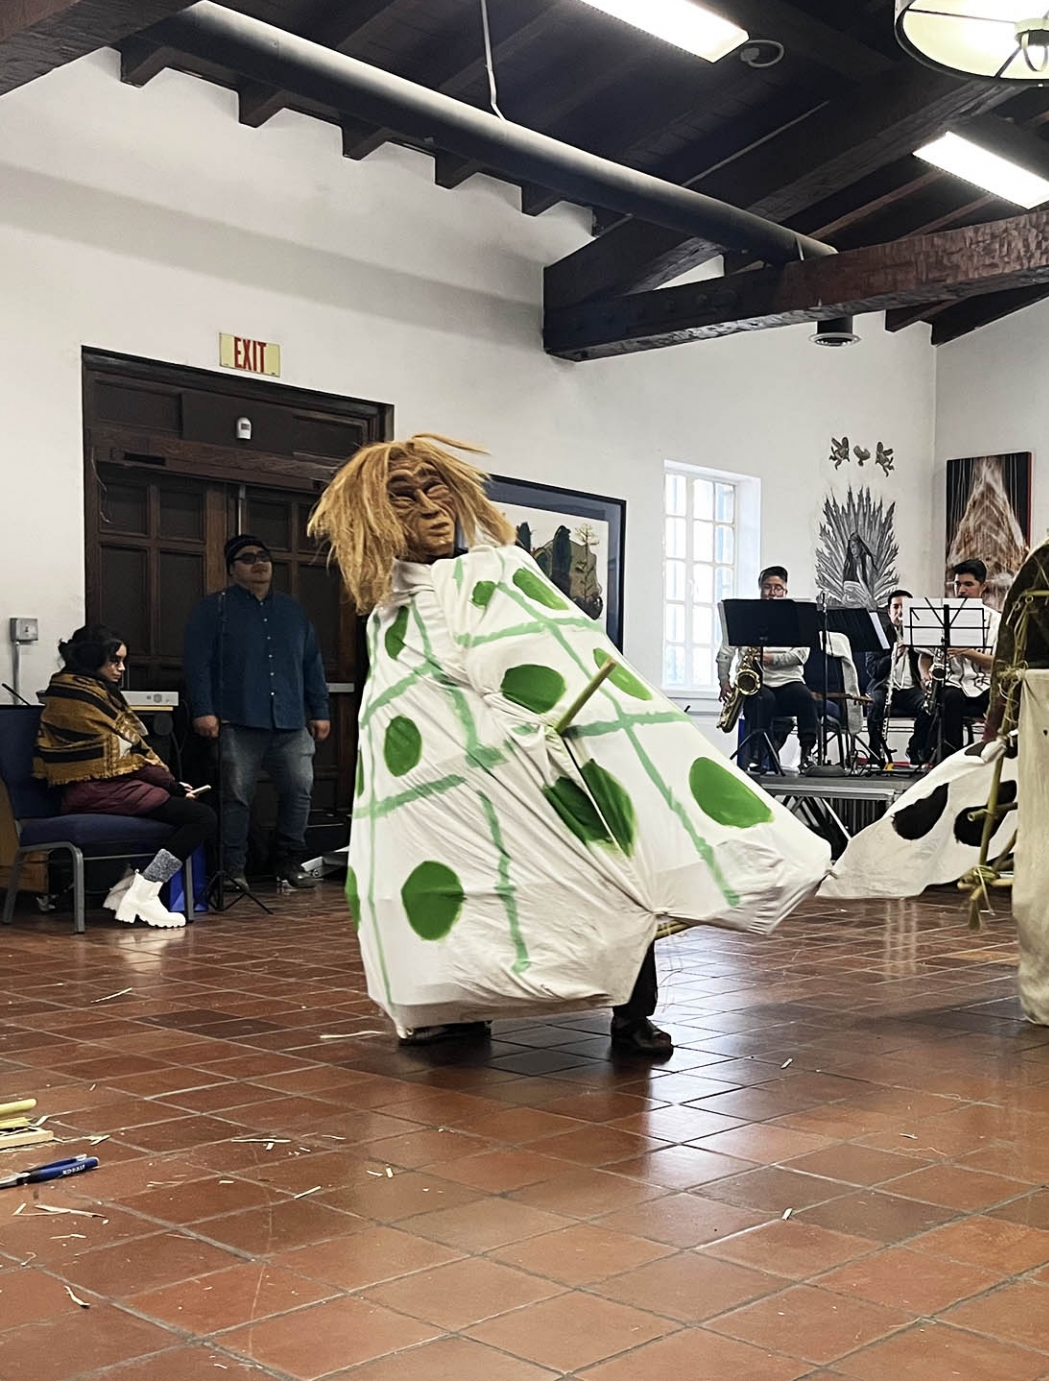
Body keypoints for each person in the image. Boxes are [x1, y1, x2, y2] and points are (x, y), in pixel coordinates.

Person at [307, 435, 829, 1054]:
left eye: (436, 488)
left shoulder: (501, 573)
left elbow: (557, 656)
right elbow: (397, 711)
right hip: (455, 792)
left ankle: (632, 1015)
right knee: (460, 880)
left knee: (610, 870)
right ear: (376, 522)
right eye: (404, 499)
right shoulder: (390, 614)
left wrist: (536, 725)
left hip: (542, 765)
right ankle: (459, 1003)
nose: (430, 508)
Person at [33, 625, 215, 929]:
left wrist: (170, 786)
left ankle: (128, 888)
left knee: (189, 814)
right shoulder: (75, 693)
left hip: (111, 785)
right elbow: (117, 752)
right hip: (91, 789)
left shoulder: (87, 688)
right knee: (202, 818)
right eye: (114, 661)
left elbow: (123, 752)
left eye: (123, 661)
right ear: (92, 659)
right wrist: (169, 784)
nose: (121, 669)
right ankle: (145, 891)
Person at [182, 535, 331, 893]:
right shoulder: (213, 609)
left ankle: (288, 861)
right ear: (232, 570)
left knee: (300, 791)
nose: (259, 564)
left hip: (291, 721)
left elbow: (312, 663)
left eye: (264, 557)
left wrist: (320, 710)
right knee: (236, 797)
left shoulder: (292, 611)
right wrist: (203, 710)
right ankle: (234, 868)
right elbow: (197, 663)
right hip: (237, 720)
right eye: (248, 559)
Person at [716, 566, 816, 772]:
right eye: (767, 587)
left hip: (789, 681)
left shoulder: (796, 616)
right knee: (763, 700)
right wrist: (724, 681)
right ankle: (756, 756)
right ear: (760, 589)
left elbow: (801, 655)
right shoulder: (744, 616)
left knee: (805, 698)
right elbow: (726, 651)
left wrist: (771, 659)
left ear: (786, 591)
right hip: (758, 682)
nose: (772, 593)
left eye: (778, 588)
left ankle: (807, 753)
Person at [925, 559, 1001, 760]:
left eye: (969, 584)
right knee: (950, 698)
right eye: (958, 584)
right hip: (953, 684)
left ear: (983, 587)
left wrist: (967, 652)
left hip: (985, 686)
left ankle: (994, 759)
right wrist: (926, 677)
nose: (961, 590)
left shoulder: (997, 621)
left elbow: (1000, 663)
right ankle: (951, 760)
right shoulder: (943, 617)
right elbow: (924, 656)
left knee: (1003, 701)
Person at [865, 589, 930, 764]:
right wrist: (894, 656)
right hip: (884, 687)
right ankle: (875, 751)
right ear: (889, 611)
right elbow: (872, 670)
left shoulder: (921, 635)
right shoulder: (879, 635)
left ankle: (915, 748)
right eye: (896, 607)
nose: (900, 612)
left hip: (911, 689)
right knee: (875, 703)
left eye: (905, 607)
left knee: (929, 706)